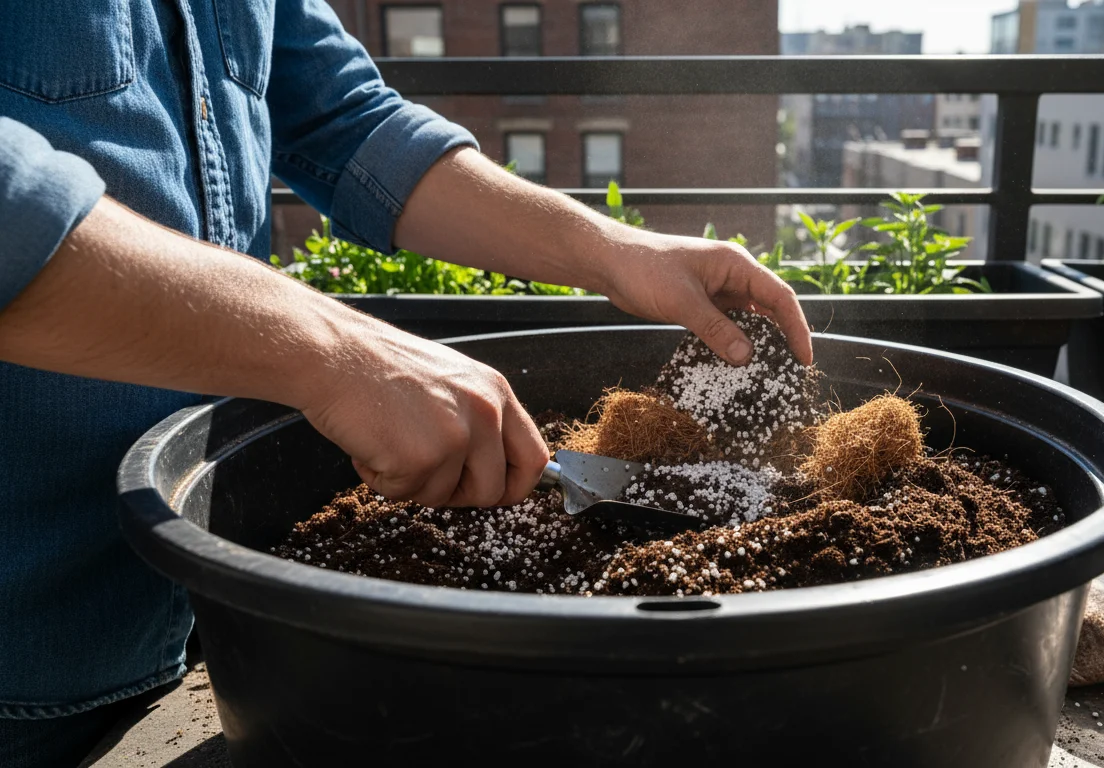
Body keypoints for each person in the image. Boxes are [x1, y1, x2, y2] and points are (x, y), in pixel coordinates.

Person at [0, 2, 811, 765]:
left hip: (210, 602)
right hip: (28, 642)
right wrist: (331, 346)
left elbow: (345, 122)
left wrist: (611, 250)